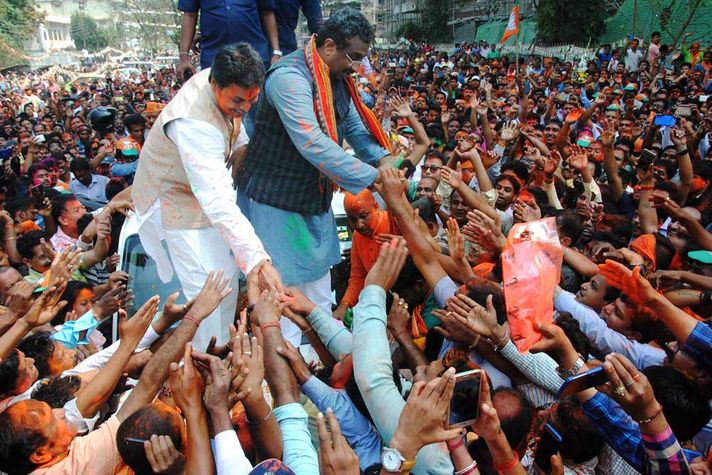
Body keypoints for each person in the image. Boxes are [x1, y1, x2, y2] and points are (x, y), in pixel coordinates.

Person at [237, 8, 394, 345]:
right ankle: (288, 372)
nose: (355, 67)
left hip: (313, 200)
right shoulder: (287, 78)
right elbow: (311, 141)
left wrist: (387, 162)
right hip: (275, 202)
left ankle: (321, 362)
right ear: (328, 47)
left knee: (320, 294)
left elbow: (356, 130)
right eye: (353, 57)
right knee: (282, 296)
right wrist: (374, 178)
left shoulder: (338, 80)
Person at [132, 43, 282, 350]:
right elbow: (216, 200)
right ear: (215, 84)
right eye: (238, 100)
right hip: (175, 203)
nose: (245, 108)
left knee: (225, 281)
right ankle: (203, 365)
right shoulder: (193, 124)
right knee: (207, 291)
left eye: (252, 99)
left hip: (202, 196)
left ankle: (223, 352)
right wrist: (257, 260)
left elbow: (235, 127)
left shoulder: (224, 83)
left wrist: (240, 146)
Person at [176, 0, 281, 76]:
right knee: (217, 103)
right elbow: (189, 15)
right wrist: (183, 57)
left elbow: (267, 13)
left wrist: (276, 52)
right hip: (214, 57)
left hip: (253, 57)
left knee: (253, 101)